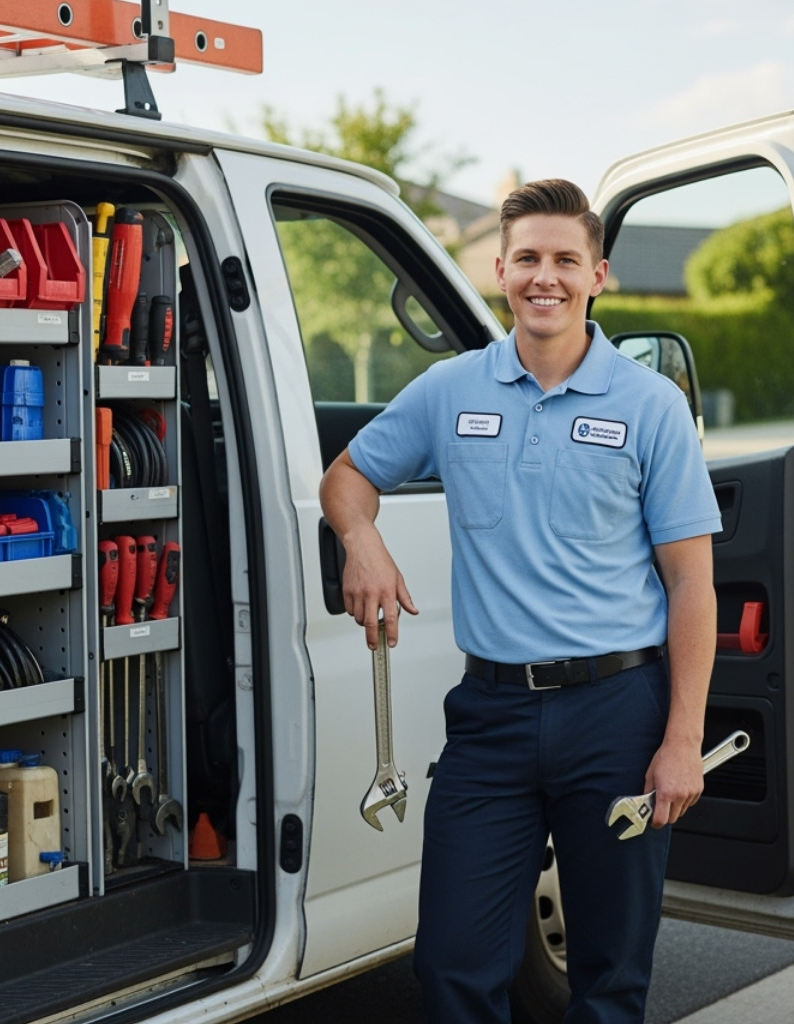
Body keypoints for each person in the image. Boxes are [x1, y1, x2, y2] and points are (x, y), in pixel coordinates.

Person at [319, 178, 721, 1023]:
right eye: (529, 258)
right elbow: (346, 478)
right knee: (454, 965)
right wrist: (363, 542)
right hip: (490, 718)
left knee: (609, 977)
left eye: (566, 260)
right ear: (500, 270)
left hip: (619, 713)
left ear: (599, 275)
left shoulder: (652, 407)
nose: (548, 277)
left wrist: (682, 739)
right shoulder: (451, 389)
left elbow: (692, 583)